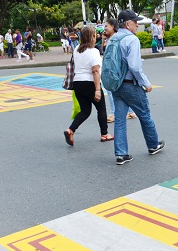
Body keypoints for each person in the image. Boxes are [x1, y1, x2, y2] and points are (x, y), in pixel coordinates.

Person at [109, 9, 164, 165]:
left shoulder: (113, 39)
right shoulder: (131, 40)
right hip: (130, 85)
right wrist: (145, 83)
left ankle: (121, 154)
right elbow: (134, 66)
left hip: (116, 85)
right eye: (135, 22)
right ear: (128, 24)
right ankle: (153, 145)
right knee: (145, 115)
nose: (137, 25)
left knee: (119, 120)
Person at [63, 25, 113, 146]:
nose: (96, 37)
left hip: (77, 83)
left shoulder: (77, 50)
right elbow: (95, 71)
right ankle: (104, 134)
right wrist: (97, 90)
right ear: (91, 37)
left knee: (85, 110)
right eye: (95, 35)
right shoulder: (93, 51)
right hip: (90, 83)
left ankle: (71, 129)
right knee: (101, 108)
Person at [101, 18, 136, 123]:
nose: (105, 28)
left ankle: (113, 113)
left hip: (114, 71)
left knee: (111, 91)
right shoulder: (111, 39)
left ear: (113, 26)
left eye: (106, 26)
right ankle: (130, 111)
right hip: (113, 70)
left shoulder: (116, 39)